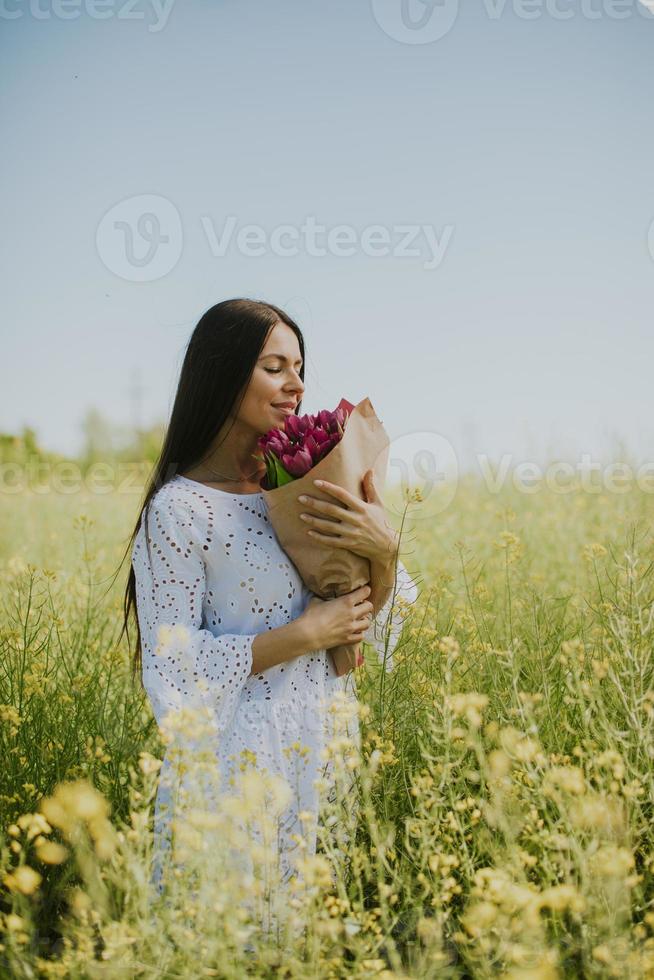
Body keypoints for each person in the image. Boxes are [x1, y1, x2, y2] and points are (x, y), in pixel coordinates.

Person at [121, 298, 419, 931]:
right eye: (274, 367)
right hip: (237, 761)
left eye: (300, 367)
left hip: (319, 745)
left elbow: (370, 622)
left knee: (303, 944)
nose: (297, 385)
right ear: (224, 375)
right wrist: (304, 634)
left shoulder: (308, 484)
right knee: (229, 943)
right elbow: (171, 666)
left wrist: (385, 553)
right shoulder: (180, 510)